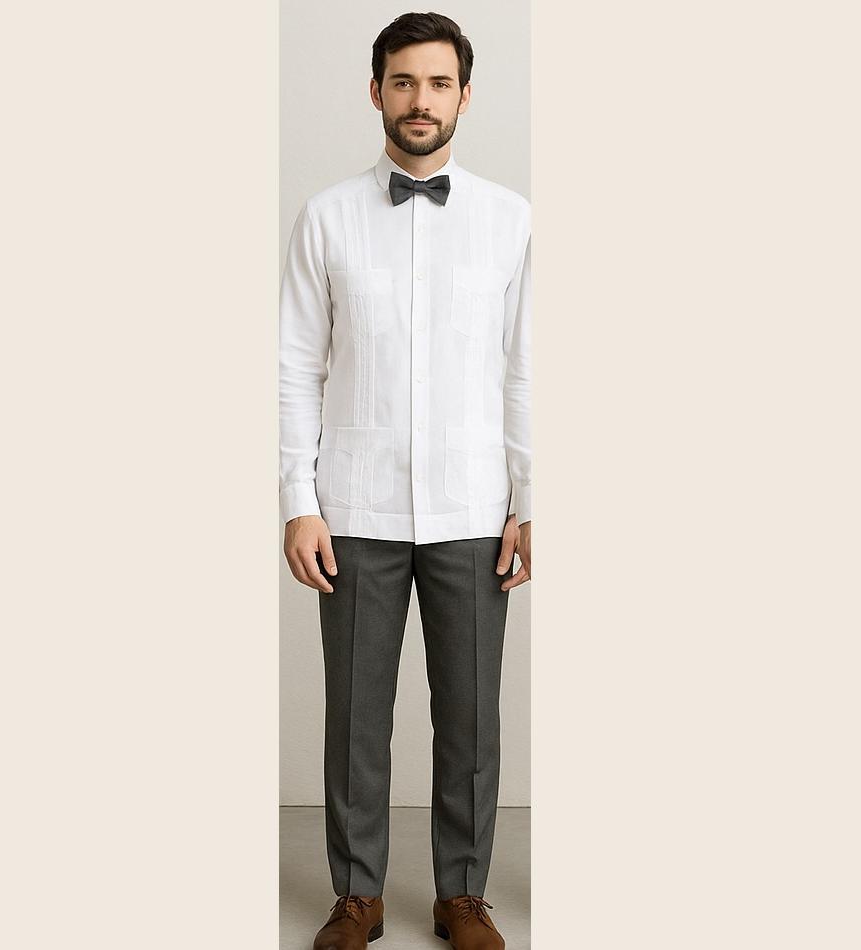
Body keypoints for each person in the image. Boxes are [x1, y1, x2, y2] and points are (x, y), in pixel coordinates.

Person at [279, 12, 532, 949]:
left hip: (474, 507)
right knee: (355, 716)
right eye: (403, 81)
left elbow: (528, 371)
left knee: (470, 719)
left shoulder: (510, 221)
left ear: (464, 95)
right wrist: (298, 502)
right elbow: (293, 367)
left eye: (437, 83)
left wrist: (533, 501)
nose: (420, 100)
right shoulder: (326, 217)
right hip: (355, 507)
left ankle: (463, 894)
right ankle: (359, 895)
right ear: (375, 90)